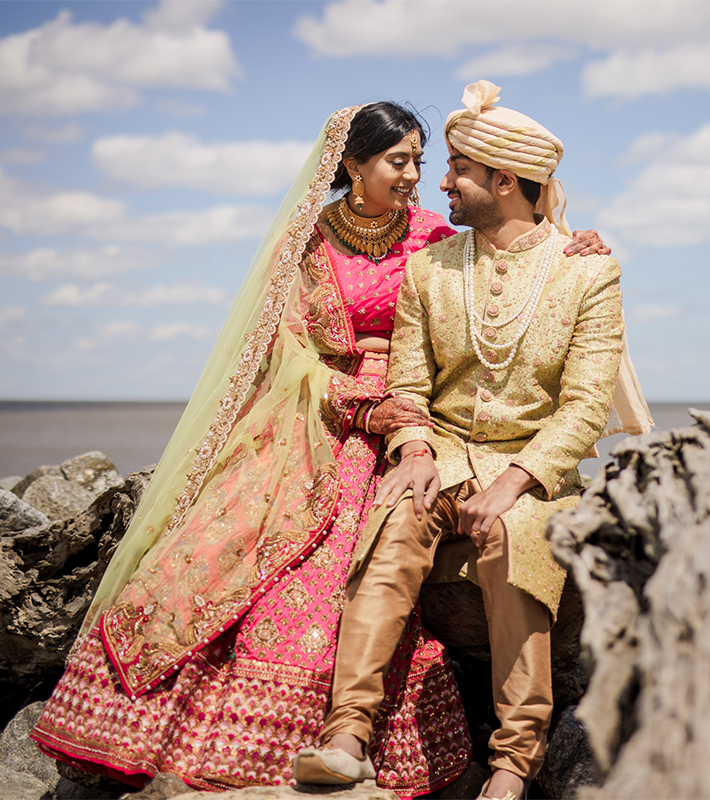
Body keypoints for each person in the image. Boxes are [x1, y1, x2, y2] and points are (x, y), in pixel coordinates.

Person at [27, 103, 612, 796]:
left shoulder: (445, 243)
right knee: (254, 546)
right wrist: (388, 423)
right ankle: (321, 736)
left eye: (429, 162)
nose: (423, 178)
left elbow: (531, 276)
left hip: (452, 438)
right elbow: (296, 352)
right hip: (341, 418)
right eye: (403, 160)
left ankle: (504, 763)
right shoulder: (339, 248)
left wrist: (576, 237)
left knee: (444, 547)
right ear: (352, 165)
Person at [296, 81, 645, 800]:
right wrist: (416, 452)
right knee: (394, 521)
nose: (439, 182)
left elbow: (582, 411)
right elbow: (409, 384)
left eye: (455, 168)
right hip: (443, 451)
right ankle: (346, 736)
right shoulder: (430, 266)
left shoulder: (589, 271)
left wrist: (513, 484)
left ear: (505, 183)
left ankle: (515, 762)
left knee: (515, 540)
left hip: (530, 467)